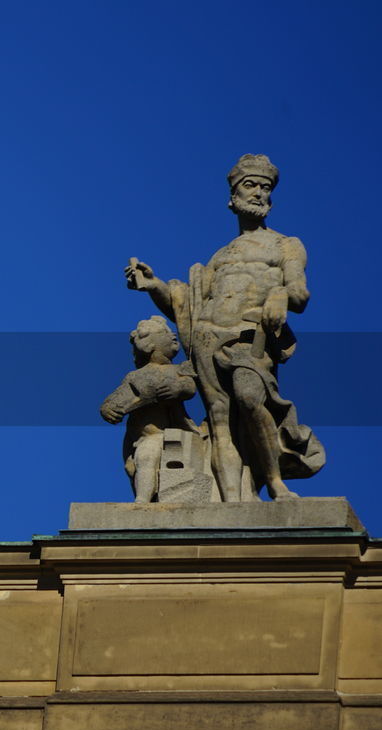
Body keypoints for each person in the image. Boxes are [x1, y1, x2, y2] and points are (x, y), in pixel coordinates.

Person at [125, 154, 324, 501]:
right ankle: (231, 500)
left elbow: (299, 292)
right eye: (251, 186)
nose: (259, 193)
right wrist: (154, 284)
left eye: (265, 187)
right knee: (220, 425)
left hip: (250, 337)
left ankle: (276, 482)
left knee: (249, 397)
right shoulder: (221, 256)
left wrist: (279, 294)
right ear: (233, 198)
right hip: (207, 339)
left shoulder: (285, 244)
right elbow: (184, 303)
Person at [100, 317, 200, 502]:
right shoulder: (135, 376)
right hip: (134, 438)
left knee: (147, 456)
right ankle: (148, 498)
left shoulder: (178, 369)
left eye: (172, 334)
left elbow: (189, 387)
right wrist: (108, 410)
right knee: (132, 468)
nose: (172, 336)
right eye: (165, 334)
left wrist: (177, 389)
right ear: (150, 345)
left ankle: (142, 500)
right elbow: (114, 401)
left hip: (160, 435)